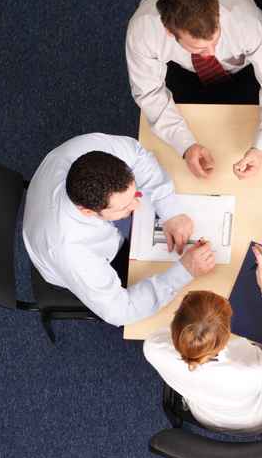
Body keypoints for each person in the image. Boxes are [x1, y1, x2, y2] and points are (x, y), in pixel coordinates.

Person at [23, 133, 216, 327]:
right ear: (88, 211)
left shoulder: (87, 152)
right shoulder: (73, 253)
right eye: (125, 207)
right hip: (66, 264)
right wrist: (184, 271)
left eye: (134, 194)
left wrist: (170, 210)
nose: (137, 205)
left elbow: (138, 156)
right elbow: (120, 311)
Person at [126, 0, 262, 180]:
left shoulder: (246, 22)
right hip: (183, 70)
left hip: (243, 70)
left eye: (215, 41)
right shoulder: (143, 32)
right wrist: (186, 145)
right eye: (199, 48)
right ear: (169, 32)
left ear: (218, 15)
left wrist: (261, 146)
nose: (211, 53)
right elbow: (149, 93)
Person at [143, 245, 262, 435]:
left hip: (205, 416)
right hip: (258, 420)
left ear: (176, 317)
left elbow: (178, 335)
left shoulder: (153, 348)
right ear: (227, 335)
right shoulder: (252, 371)